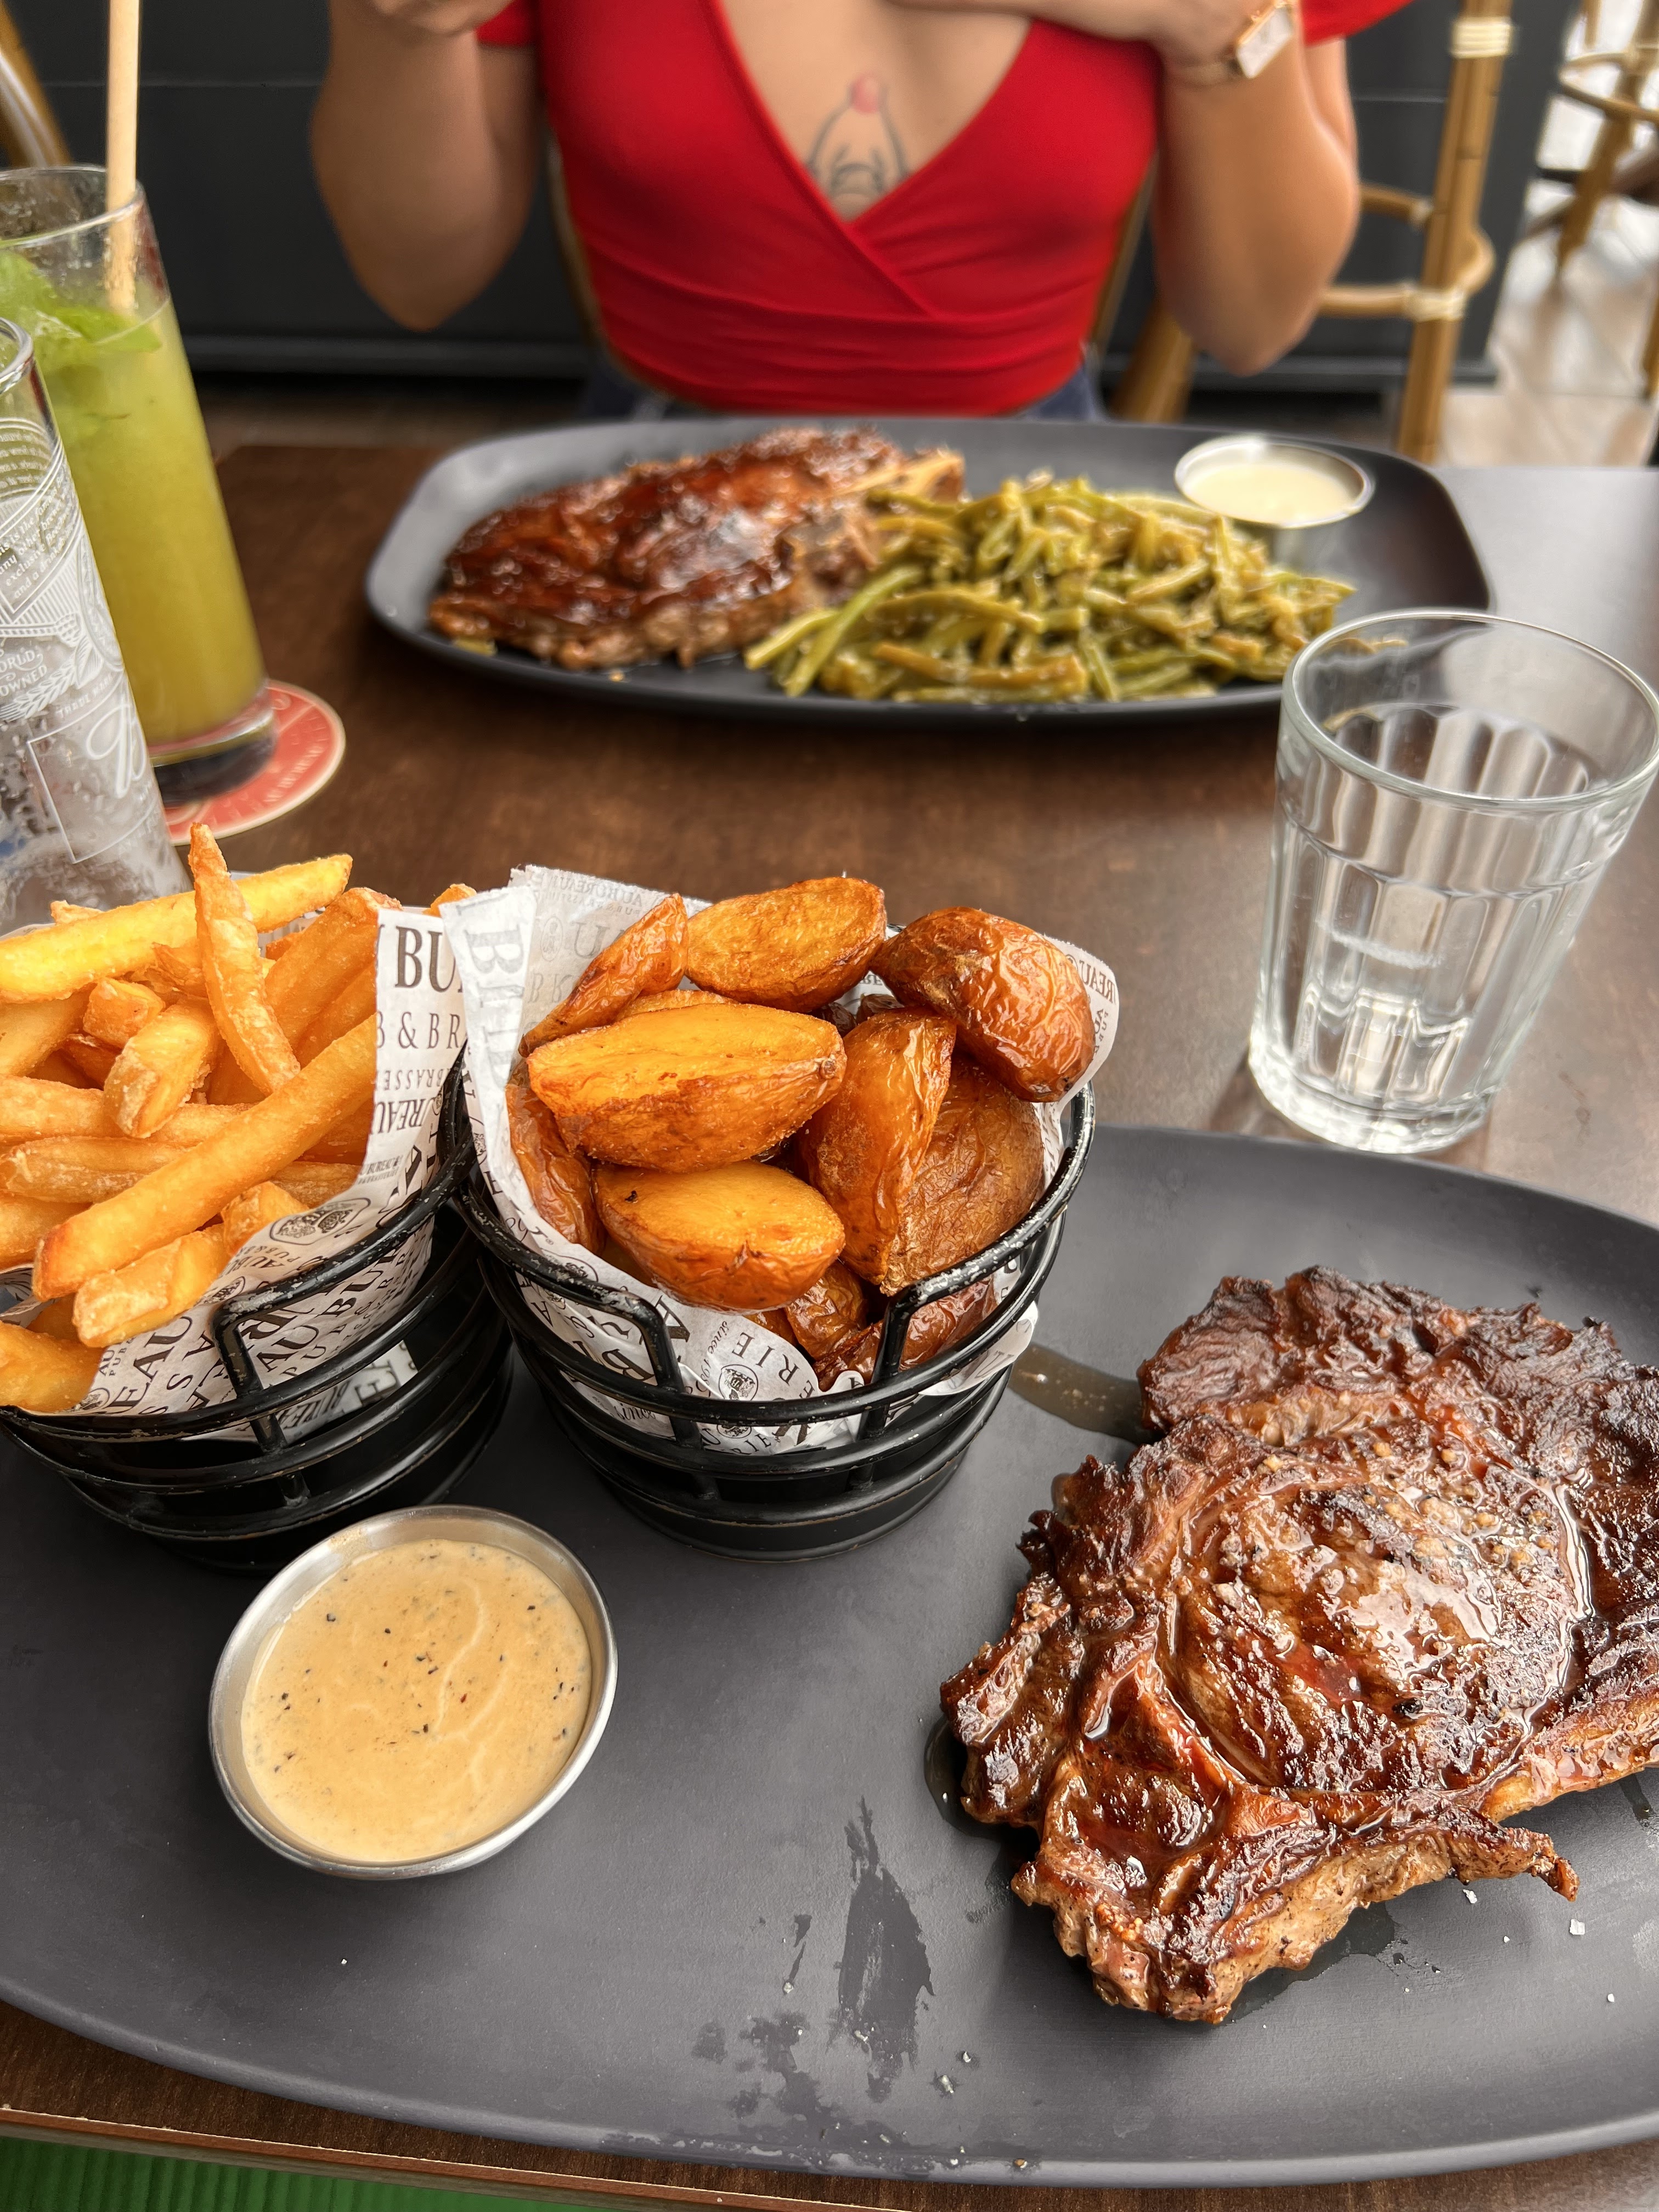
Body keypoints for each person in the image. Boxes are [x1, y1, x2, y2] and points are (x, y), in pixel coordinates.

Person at [312, 0, 1406, 419]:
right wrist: (393, 20)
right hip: (630, 498)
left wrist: (1220, 29)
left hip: (1044, 507)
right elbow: (419, 279)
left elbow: (1252, 323)